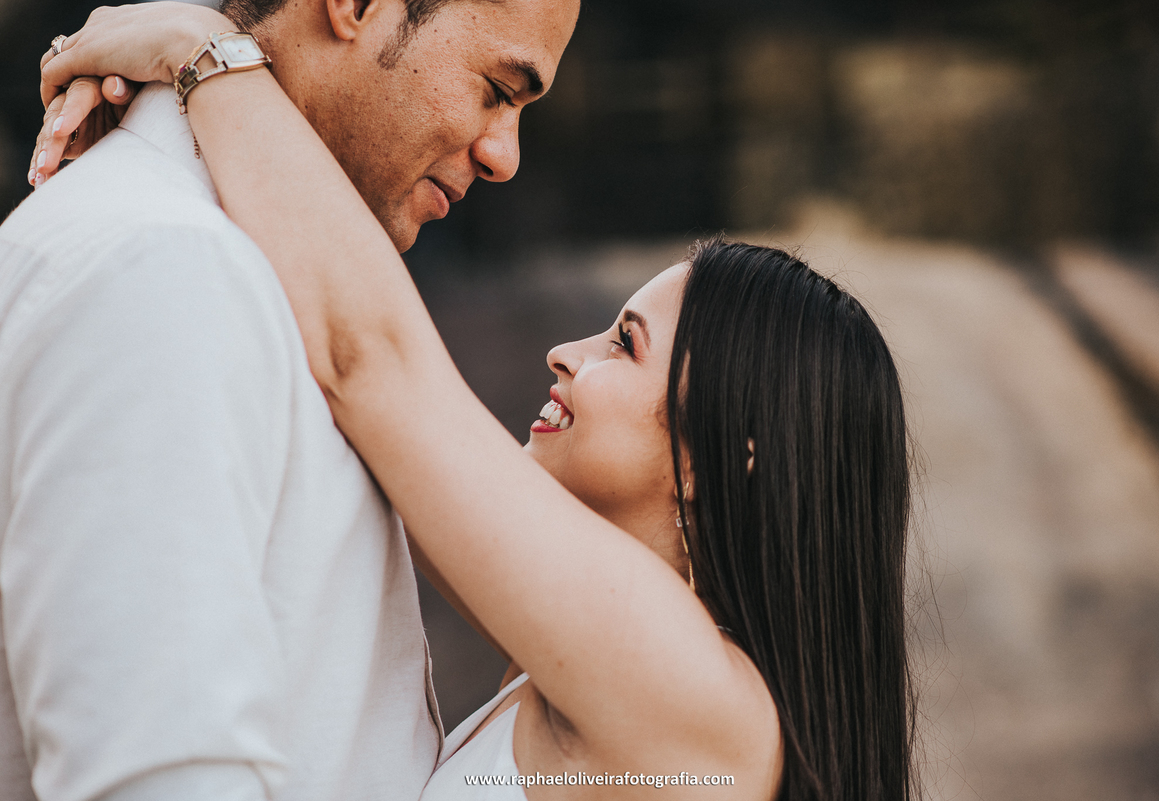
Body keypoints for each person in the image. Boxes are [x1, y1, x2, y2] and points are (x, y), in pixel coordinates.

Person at [34, 5, 918, 801]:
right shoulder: (604, 674)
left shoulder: (698, 709)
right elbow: (382, 435)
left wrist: (195, 49)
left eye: (624, 344)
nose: (564, 354)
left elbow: (371, 359)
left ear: (725, 455)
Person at [1, 1, 577, 800]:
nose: (503, 154)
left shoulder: (238, 270)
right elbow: (162, 774)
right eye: (496, 90)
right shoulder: (168, 270)